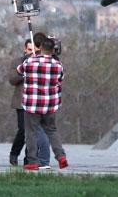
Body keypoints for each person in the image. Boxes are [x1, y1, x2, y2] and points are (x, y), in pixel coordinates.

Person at [17, 37, 68, 171]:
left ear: (40, 48)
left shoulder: (30, 61)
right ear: (53, 50)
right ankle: (61, 155)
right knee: (51, 130)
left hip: (32, 104)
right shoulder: (58, 65)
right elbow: (61, 78)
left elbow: (19, 70)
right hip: (50, 104)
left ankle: (33, 161)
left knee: (31, 132)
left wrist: (31, 58)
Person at [9, 37, 51, 168]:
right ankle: (14, 153)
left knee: (33, 131)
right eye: (29, 49)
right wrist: (25, 74)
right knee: (23, 129)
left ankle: (29, 157)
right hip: (21, 101)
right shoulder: (17, 62)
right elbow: (12, 79)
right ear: (24, 49)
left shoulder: (40, 61)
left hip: (35, 101)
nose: (31, 52)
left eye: (34, 50)